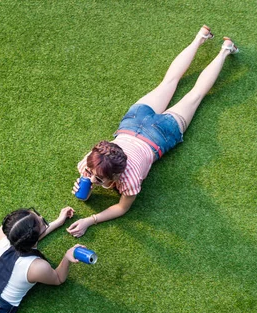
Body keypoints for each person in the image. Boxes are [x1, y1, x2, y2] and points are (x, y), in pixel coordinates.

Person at [67, 26, 239, 237]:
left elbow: (122, 208)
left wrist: (90, 220)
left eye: (99, 179)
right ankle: (201, 37)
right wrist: (86, 190)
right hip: (134, 122)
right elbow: (92, 176)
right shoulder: (87, 164)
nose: (91, 179)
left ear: (117, 175)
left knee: (195, 95)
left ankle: (224, 50)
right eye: (93, 175)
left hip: (161, 133)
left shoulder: (128, 180)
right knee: (169, 82)